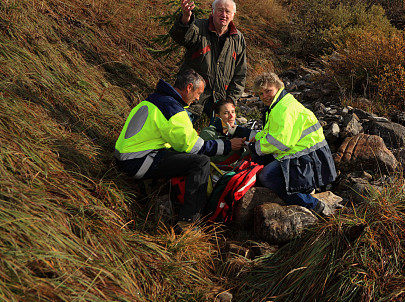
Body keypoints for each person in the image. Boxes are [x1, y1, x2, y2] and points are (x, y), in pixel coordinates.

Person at [114, 70, 245, 222]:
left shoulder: (156, 99)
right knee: (200, 162)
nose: (197, 99)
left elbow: (170, 137)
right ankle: (190, 220)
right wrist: (228, 145)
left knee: (181, 155)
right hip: (137, 161)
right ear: (189, 87)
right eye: (198, 93)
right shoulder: (173, 109)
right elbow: (196, 148)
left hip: (126, 156)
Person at [249, 73, 337, 213]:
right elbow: (272, 132)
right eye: (260, 93)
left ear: (278, 87)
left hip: (307, 156)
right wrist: (254, 138)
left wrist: (254, 147)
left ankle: (314, 205)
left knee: (266, 176)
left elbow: (281, 141)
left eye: (268, 91)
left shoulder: (284, 108)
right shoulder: (279, 104)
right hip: (304, 152)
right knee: (259, 160)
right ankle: (305, 189)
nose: (264, 96)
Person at [170, 0, 247, 119]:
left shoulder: (238, 38)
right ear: (212, 11)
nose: (224, 14)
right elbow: (180, 37)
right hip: (192, 97)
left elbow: (240, 74)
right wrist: (185, 19)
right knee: (179, 132)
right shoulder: (198, 27)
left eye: (228, 11)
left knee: (223, 136)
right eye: (220, 10)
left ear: (233, 15)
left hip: (220, 101)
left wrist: (231, 101)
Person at [199, 98, 252, 168]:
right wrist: (232, 146)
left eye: (233, 112)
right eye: (226, 113)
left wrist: (250, 148)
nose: (231, 116)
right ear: (218, 116)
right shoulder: (208, 133)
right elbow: (215, 159)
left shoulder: (241, 131)